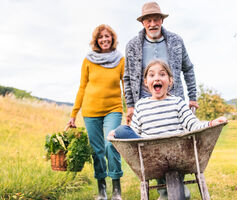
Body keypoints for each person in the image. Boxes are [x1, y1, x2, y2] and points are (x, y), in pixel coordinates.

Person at [109, 60, 227, 200]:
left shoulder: (177, 103)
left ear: (170, 81)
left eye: (162, 74)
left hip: (178, 154)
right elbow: (135, 132)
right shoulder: (141, 105)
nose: (157, 78)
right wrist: (118, 134)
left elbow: (193, 125)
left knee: (173, 189)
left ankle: (173, 192)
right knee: (122, 129)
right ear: (146, 82)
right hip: (148, 156)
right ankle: (172, 193)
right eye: (152, 75)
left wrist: (211, 123)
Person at [67, 24, 124, 200]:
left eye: (107, 36)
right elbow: (82, 87)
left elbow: (126, 85)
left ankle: (116, 190)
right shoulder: (88, 60)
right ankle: (102, 190)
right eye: (101, 37)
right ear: (96, 40)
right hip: (90, 111)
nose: (104, 39)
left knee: (110, 144)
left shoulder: (120, 60)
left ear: (112, 38)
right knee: (97, 150)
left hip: (113, 109)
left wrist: (131, 110)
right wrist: (73, 113)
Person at [124, 1, 199, 126]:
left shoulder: (176, 41)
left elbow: (188, 69)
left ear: (162, 21)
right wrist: (130, 105)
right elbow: (127, 77)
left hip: (173, 101)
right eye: (148, 20)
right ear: (143, 23)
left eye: (156, 19)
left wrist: (192, 97)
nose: (152, 24)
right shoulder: (132, 46)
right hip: (144, 104)